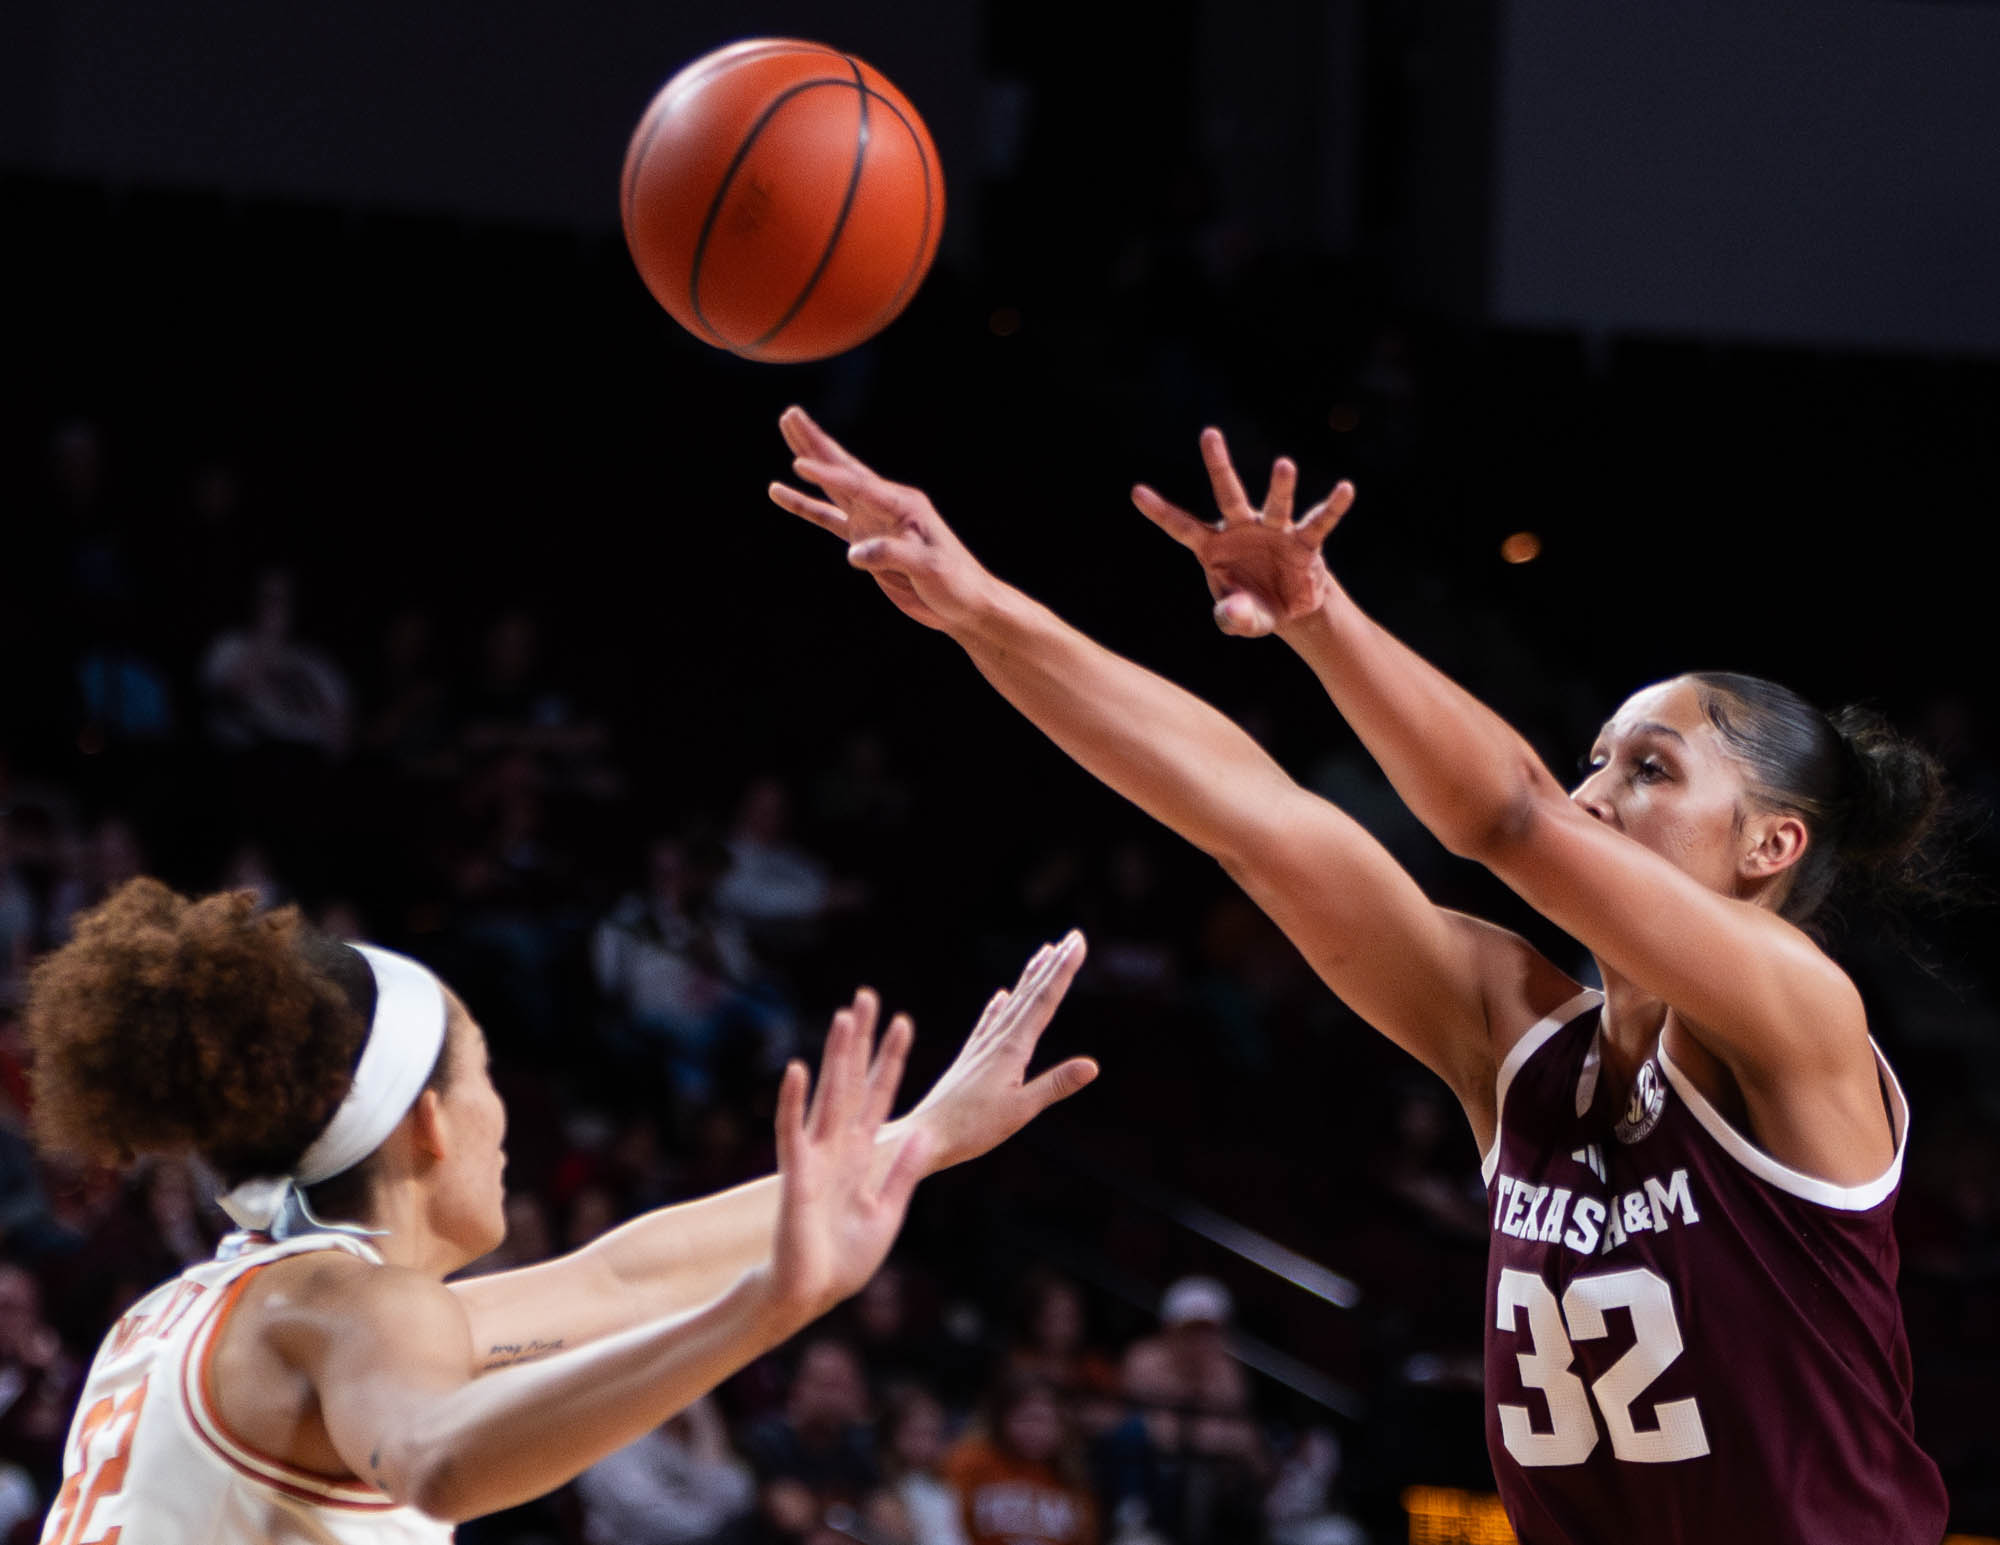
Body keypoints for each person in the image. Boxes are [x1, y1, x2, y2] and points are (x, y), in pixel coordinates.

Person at [769, 406, 1957, 1545]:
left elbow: (1511, 816)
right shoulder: (1517, 1039)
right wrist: (981, 610)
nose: (1596, 793)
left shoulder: (1799, 1015)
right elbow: (1250, 816)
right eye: (1592, 762)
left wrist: (1317, 614)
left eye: (1650, 770)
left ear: (1770, 846)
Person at [25, 877, 1094, 1540]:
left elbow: (613, 1281)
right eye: (487, 1073)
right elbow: (440, 1462)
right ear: (429, 1123)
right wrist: (760, 1313)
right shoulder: (349, 1307)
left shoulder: (208, 1309)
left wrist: (918, 1143)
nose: (506, 1117)